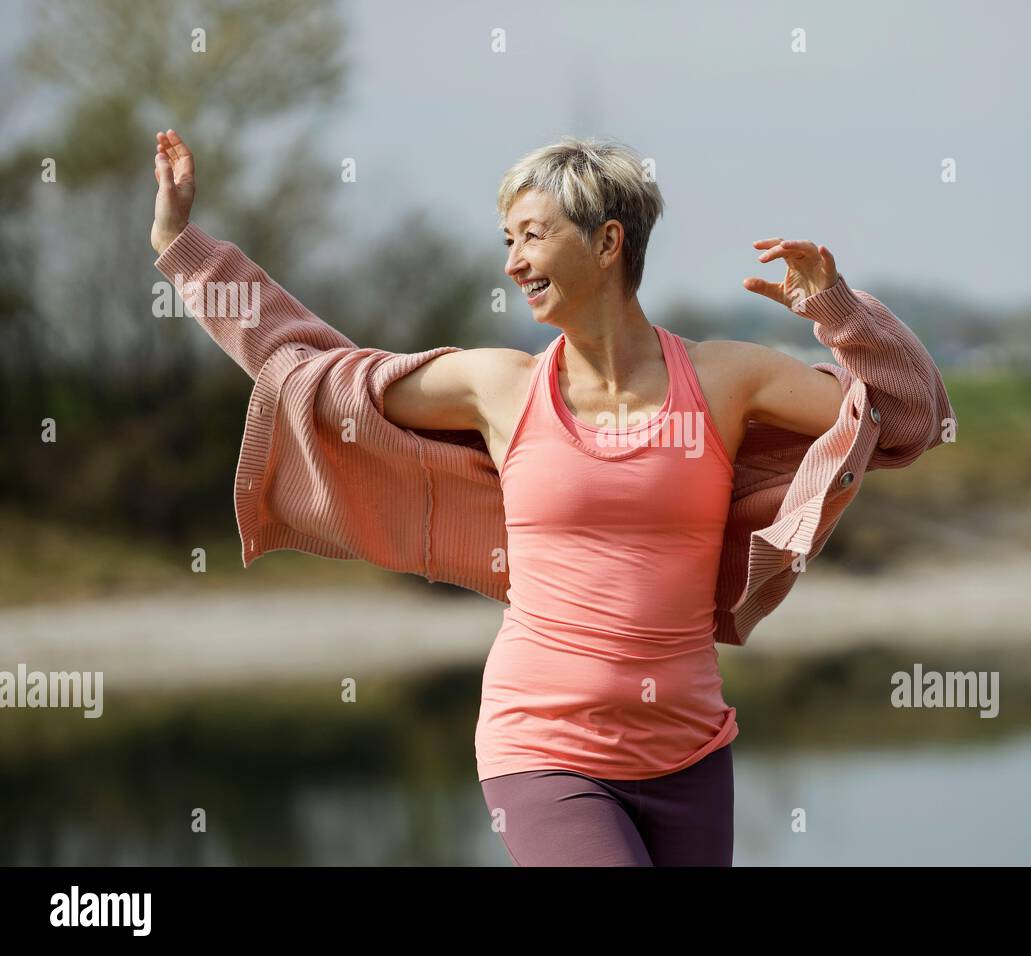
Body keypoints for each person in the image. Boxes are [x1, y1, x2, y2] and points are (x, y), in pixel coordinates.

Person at [150, 128, 953, 866]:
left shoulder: (724, 379)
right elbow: (318, 375)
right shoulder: (499, 387)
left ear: (608, 243)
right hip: (542, 746)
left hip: (692, 750)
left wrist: (837, 312)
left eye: (532, 235)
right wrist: (185, 250)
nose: (512, 261)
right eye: (508, 239)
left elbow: (908, 421)